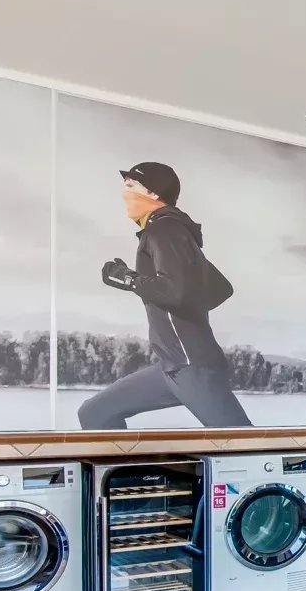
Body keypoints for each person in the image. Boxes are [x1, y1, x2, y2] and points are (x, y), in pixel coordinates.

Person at [77, 162, 252, 429]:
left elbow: (176, 291)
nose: (124, 193)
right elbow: (219, 289)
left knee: (244, 443)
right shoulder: (173, 232)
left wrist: (130, 279)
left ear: (153, 193)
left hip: (192, 367)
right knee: (95, 413)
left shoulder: (164, 230)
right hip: (173, 366)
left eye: (131, 186)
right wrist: (153, 287)